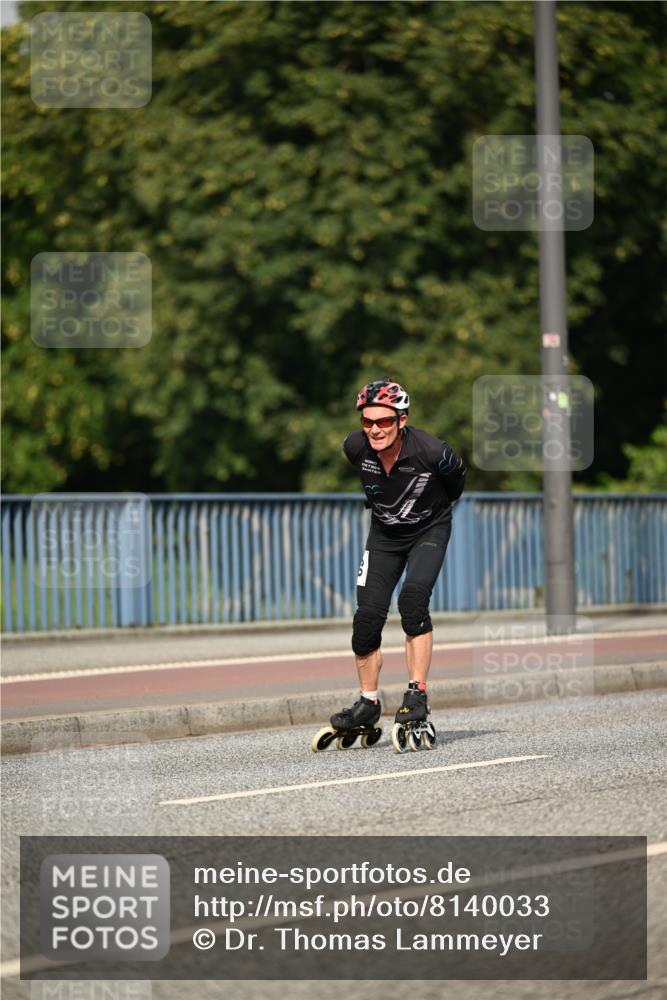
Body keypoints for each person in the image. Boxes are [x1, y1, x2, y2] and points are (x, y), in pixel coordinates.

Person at [330, 376, 466, 752]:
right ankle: (368, 702)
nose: (374, 429)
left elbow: (456, 485)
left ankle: (416, 695)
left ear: (401, 420)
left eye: (384, 421)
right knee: (366, 619)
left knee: (412, 601)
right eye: (368, 421)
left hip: (429, 531)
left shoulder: (433, 452)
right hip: (384, 537)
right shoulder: (355, 447)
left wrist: (430, 514)